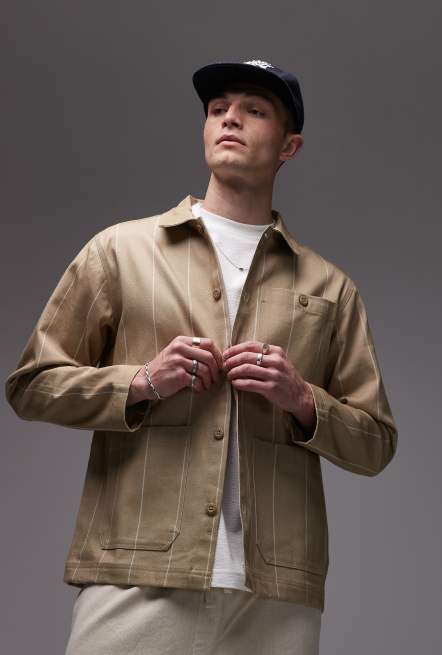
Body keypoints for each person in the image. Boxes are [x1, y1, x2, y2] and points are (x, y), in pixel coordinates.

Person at [5, 59, 398, 654]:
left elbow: (376, 443)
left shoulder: (329, 288)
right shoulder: (120, 252)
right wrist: (142, 382)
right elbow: (31, 384)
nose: (230, 119)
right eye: (218, 110)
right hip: (137, 572)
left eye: (254, 110)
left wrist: (301, 399)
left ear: (289, 146)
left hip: (276, 595)